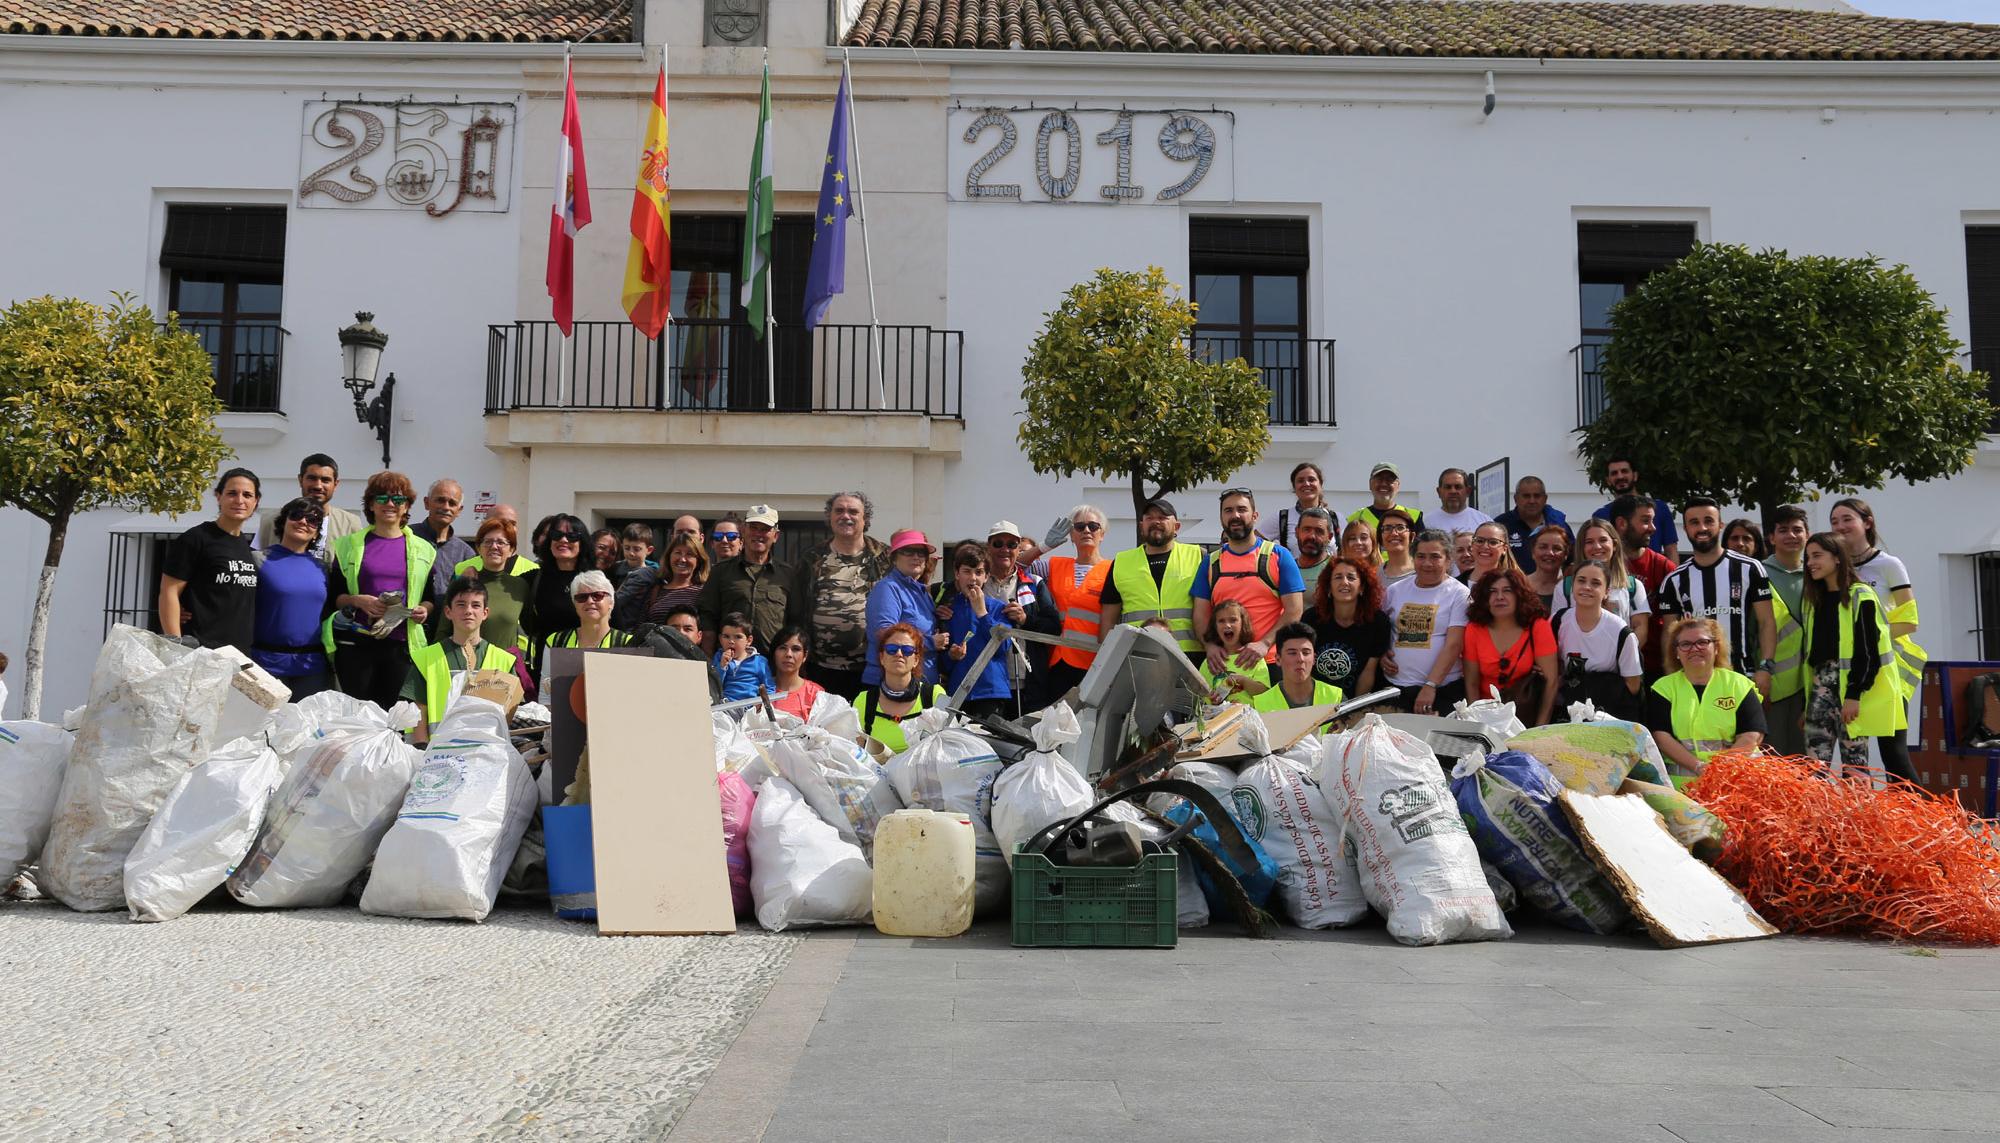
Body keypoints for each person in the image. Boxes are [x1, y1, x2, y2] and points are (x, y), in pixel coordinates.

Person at [1800, 533, 1915, 782]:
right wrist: (1807, 703)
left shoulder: (1860, 595)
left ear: (1838, 558)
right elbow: (1811, 655)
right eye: (1808, 557)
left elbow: (1868, 651)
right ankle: (1814, 821)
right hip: (1820, 689)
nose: (1810, 563)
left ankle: (1857, 820)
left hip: (1852, 691)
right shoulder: (1812, 600)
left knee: (1855, 766)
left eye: (1817, 555)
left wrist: (1854, 694)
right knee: (1813, 767)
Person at [324, 471, 438, 710]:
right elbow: (335, 597)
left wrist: (422, 611)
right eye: (382, 498)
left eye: (398, 500)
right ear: (370, 504)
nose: (390, 504)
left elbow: (429, 599)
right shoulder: (348, 545)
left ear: (406, 507)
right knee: (360, 719)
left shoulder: (424, 549)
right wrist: (358, 600)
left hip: (401, 646)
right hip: (358, 646)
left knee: (395, 721)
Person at [1654, 497, 1775, 698]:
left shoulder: (1750, 568)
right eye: (1694, 522)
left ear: (1720, 525)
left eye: (1709, 521)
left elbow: (1767, 622)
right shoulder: (1674, 580)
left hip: (1743, 677)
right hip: (1693, 683)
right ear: (1685, 529)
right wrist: (1672, 676)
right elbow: (1669, 635)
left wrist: (1766, 667)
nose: (1702, 528)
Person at [786, 491, 890, 699]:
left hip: (871, 669)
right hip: (820, 668)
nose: (846, 516)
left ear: (865, 518)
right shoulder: (812, 558)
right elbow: (795, 611)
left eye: (853, 511)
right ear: (830, 516)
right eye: (839, 511)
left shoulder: (884, 557)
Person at [1194, 488, 1307, 677]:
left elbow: (1294, 610)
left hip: (1270, 662)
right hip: (1224, 665)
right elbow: (1200, 614)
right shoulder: (1211, 562)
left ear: (1254, 515)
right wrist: (1210, 646)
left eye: (1241, 509)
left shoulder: (1278, 556)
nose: (1235, 515)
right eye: (1228, 510)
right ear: (1221, 517)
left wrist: (1264, 643)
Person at [1829, 497, 1925, 707]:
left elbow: (1910, 622)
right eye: (1834, 522)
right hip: (1846, 666)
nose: (1840, 526)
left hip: (1887, 661)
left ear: (1867, 522)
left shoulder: (1889, 564)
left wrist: (1866, 642)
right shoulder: (1831, 566)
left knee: (1891, 738)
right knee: (1853, 738)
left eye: (1847, 519)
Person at [1649, 617, 1767, 786]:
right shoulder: (1663, 688)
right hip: (1683, 791)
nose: (1694, 649)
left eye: (1702, 642)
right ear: (1676, 651)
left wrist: (1719, 771)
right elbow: (1661, 737)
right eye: (1685, 644)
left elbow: (1752, 735)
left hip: (1736, 785)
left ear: (1716, 647)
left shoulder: (1739, 684)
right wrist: (1699, 767)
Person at [401, 576, 517, 742]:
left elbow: (509, 714)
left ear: (485, 613)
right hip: (438, 755)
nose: (468, 611)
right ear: (448, 612)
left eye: (476, 605)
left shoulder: (503, 660)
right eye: (461, 605)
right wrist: (422, 749)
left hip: (488, 755)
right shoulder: (426, 658)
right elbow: (418, 710)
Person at [160, 467, 261, 653]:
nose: (240, 500)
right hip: (200, 651)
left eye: (247, 495)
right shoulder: (196, 539)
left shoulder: (246, 547)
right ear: (218, 496)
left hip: (239, 654)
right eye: (232, 493)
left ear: (256, 501)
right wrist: (176, 646)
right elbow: (169, 592)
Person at [1098, 498, 1203, 659]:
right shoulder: (1121, 562)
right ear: (1141, 526)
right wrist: (1107, 658)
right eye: (1149, 518)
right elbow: (1108, 621)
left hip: (1190, 655)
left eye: (1162, 517)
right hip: (1136, 654)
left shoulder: (1198, 556)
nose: (1155, 522)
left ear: (1177, 526)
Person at [250, 497, 332, 699]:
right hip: (265, 664)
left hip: (312, 667)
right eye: (297, 515)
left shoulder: (323, 568)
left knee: (309, 730)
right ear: (283, 521)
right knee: (266, 730)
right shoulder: (257, 560)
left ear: (316, 532)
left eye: (312, 520)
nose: (304, 522)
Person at [1382, 530, 1470, 714]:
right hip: (1397, 686)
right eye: (1421, 556)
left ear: (1448, 560)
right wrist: (1382, 654)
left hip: (1442, 689)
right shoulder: (1395, 590)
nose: (1427, 563)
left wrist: (1431, 685)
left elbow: (1454, 644)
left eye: (1435, 557)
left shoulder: (1459, 593)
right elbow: (1380, 629)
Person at [979, 520, 1061, 712]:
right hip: (984, 682)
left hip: (1027, 683)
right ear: (988, 547)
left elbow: (1054, 628)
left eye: (1012, 544)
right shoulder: (977, 582)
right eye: (998, 543)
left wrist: (1026, 619)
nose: (1005, 549)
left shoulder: (1034, 583)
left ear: (1018, 550)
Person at [1461, 567, 1559, 726]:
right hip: (1486, 718)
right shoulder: (1474, 629)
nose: (1499, 597)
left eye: (1507, 591)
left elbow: (1551, 682)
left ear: (1519, 596)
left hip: (1526, 716)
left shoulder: (1538, 626)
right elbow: (1471, 683)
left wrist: (1540, 728)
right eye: (1492, 591)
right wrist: (1477, 726)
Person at [1035, 505, 1113, 700]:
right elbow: (1015, 566)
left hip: (1094, 663)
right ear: (1071, 535)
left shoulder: (1114, 569)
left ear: (1102, 534)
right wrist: (1045, 546)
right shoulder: (1054, 565)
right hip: (1057, 662)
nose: (1086, 530)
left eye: (1093, 526)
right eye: (1079, 527)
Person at [1552, 560, 1644, 721]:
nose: (1587, 587)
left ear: (1606, 592)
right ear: (1572, 585)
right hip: (1566, 713)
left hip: (1608, 715)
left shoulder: (1621, 632)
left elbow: (1633, 685)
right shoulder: (1558, 620)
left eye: (1595, 583)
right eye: (1581, 580)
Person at [697, 504, 792, 652]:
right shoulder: (720, 572)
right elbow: (708, 617)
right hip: (730, 663)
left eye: (765, 529)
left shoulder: (787, 575)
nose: (758, 534)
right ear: (743, 530)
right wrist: (708, 659)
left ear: (776, 536)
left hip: (772, 665)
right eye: (753, 527)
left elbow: (795, 622)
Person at [1551, 518, 1651, 653]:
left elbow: (1641, 629)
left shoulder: (1633, 586)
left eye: (1603, 540)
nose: (1597, 546)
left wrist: (1622, 657)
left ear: (1614, 545)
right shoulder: (1565, 587)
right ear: (1582, 548)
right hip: (1578, 664)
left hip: (1621, 667)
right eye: (1589, 542)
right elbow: (1558, 631)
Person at [940, 544, 1013, 719]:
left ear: (987, 576)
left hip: (991, 691)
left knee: (986, 744)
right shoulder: (948, 609)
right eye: (967, 571)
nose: (973, 578)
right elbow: (941, 659)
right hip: (958, 691)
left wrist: (982, 613)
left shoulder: (998, 608)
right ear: (957, 574)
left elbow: (1003, 647)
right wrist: (951, 656)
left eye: (979, 572)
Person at [1761, 505, 1811, 755]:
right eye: (1783, 530)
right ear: (1771, 538)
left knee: (1807, 761)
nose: (1791, 535)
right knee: (1774, 756)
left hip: (1811, 682)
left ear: (1807, 535)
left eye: (1797, 530)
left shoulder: (1817, 573)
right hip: (1774, 683)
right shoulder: (1759, 573)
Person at [864, 530, 941, 688]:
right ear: (894, 558)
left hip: (918, 684)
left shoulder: (920, 591)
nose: (916, 557)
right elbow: (884, 634)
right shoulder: (888, 588)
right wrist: (931, 642)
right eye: (908, 551)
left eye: (921, 552)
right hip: (890, 685)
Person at [855, 622, 945, 754]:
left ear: (916, 660)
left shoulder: (935, 695)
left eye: (907, 650)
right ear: (881, 658)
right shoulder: (864, 700)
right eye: (892, 649)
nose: (899, 654)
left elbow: (948, 746)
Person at [1310, 555, 1389, 699]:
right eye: (1338, 577)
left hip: (1359, 699)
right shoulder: (1311, 619)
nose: (1344, 582)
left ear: (1362, 587)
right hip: (1319, 699)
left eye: (1351, 578)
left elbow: (1368, 672)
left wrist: (1353, 709)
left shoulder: (1378, 621)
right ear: (1329, 587)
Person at [259, 453, 364, 557]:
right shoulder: (271, 520)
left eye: (325, 480)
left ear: (335, 484)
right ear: (300, 480)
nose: (318, 486)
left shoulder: (350, 524)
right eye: (312, 478)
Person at [461, 517, 535, 656]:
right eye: (488, 542)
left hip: (505, 670)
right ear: (478, 548)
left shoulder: (519, 586)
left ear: (511, 549)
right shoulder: (466, 581)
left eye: (501, 542)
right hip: (467, 666)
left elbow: (531, 630)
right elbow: (444, 630)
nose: (494, 547)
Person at [525, 513, 593, 658]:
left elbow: (617, 626)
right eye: (557, 535)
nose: (563, 540)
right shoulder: (534, 578)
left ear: (582, 542)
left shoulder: (595, 580)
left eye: (572, 536)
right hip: (545, 660)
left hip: (586, 659)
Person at [1252, 621, 1346, 723]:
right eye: (1292, 653)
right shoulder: (1260, 704)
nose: (1300, 659)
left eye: (1306, 653)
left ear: (1314, 659)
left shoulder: (1336, 696)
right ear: (1278, 659)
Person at [1590, 457, 1679, 563]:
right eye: (1614, 473)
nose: (1620, 476)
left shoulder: (1659, 508)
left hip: (1653, 573)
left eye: (1624, 471)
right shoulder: (1601, 515)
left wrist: (1675, 578)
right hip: (1617, 574)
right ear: (1608, 481)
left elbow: (1671, 549)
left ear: (1635, 476)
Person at [614, 532, 708, 630]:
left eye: (689, 554)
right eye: (678, 553)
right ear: (669, 557)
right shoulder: (655, 590)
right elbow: (641, 627)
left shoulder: (704, 592)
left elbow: (708, 630)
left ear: (699, 561)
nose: (682, 559)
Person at [411, 479, 474, 598]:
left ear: (459, 510)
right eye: (440, 500)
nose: (446, 507)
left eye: (452, 503)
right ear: (426, 503)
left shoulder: (466, 554)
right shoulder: (407, 538)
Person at [1493, 476, 1569, 570]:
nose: (1532, 501)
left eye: (1537, 496)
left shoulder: (1559, 524)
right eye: (1526, 496)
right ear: (1516, 499)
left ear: (1545, 499)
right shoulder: (1501, 525)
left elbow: (1571, 561)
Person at [1258, 462, 1334, 556]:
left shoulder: (1336, 519)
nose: (1306, 483)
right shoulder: (1281, 518)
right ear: (1294, 487)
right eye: (1300, 480)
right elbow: (1253, 544)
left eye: (1311, 479)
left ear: (1320, 484)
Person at [452, 504, 536, 577]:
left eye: (513, 524)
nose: (508, 527)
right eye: (501, 522)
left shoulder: (533, 570)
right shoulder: (462, 569)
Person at [1198, 600, 1261, 694]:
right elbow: (1200, 695)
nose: (1227, 625)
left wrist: (1243, 681)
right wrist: (1211, 698)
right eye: (1221, 621)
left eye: (1233, 620)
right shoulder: (1209, 662)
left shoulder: (1254, 657)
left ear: (1243, 623)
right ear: (1215, 626)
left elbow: (1264, 692)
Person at [713, 611, 776, 702]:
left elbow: (770, 688)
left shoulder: (759, 661)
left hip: (750, 707)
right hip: (725, 706)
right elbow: (713, 687)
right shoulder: (719, 657)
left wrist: (761, 705)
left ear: (749, 641)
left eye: (737, 637)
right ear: (720, 639)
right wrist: (722, 666)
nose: (731, 641)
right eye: (726, 636)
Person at [1349, 461, 1423, 535]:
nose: (1384, 484)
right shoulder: (1356, 519)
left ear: (1398, 486)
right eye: (1379, 479)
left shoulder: (1413, 517)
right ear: (1370, 484)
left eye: (1389, 480)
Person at [768, 625, 825, 720]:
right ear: (774, 653)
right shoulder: (758, 689)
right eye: (782, 648)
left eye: (796, 649)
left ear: (805, 656)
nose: (788, 654)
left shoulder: (816, 693)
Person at [1427, 468, 1492, 536]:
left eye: (1458, 487)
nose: (1453, 491)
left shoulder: (1484, 522)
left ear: (1468, 491)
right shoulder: (1426, 523)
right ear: (1439, 492)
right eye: (1448, 487)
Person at [1524, 525, 1571, 613]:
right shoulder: (1519, 585)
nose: (1549, 553)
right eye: (1543, 547)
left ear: (1566, 555)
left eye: (1557, 548)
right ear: (1533, 552)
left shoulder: (1570, 589)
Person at [1292, 507, 1336, 593]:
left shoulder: (1335, 570)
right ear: (1297, 532)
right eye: (1306, 530)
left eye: (1319, 531)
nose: (1311, 536)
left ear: (1329, 537)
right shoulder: (1285, 568)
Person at [1461, 521, 1516, 586]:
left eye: (1493, 542)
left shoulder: (1515, 585)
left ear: (1504, 548)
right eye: (1480, 541)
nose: (1485, 546)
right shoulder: (1455, 585)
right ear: (1472, 545)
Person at [1374, 507, 1418, 589]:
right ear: (1381, 537)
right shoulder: (1375, 576)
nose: (1394, 533)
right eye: (1387, 528)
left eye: (1400, 528)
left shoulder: (1423, 571)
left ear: (1412, 536)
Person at [605, 522, 658, 589]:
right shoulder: (613, 570)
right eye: (627, 548)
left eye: (637, 549)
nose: (631, 553)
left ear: (649, 550)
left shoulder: (656, 575)